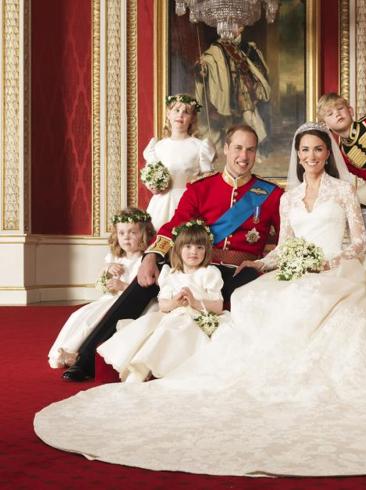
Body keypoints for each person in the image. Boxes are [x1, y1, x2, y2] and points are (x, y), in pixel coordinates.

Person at [35, 123, 366, 476]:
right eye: (302, 151)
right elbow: (275, 244)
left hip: (331, 270)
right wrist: (256, 261)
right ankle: (106, 357)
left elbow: (354, 244)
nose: (310, 157)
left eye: (317, 150)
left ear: (326, 153)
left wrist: (316, 262)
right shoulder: (252, 193)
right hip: (251, 262)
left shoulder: (318, 193)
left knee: (288, 298)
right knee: (251, 297)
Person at [61, 124, 282, 382]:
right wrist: (151, 257)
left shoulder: (272, 195)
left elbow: (285, 238)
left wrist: (262, 264)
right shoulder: (201, 188)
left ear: (256, 153)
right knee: (147, 280)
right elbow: (172, 228)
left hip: (237, 272)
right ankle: (86, 357)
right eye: (238, 148)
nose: (243, 156)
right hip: (195, 264)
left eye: (250, 150)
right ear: (225, 149)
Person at [97, 220, 227, 382]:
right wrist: (175, 303)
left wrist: (194, 302)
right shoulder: (170, 273)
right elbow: (164, 305)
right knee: (147, 328)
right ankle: (137, 368)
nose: (193, 252)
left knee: (173, 330)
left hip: (197, 316)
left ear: (206, 251)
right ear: (178, 249)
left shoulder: (209, 273)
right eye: (188, 247)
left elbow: (218, 306)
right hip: (172, 313)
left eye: (199, 247)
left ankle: (146, 367)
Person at [48, 208, 156, 369]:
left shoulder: (145, 260)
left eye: (132, 232)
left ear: (145, 234)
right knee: (80, 315)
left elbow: (142, 291)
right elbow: (101, 282)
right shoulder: (115, 257)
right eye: (121, 233)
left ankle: (79, 354)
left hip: (128, 303)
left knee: (97, 319)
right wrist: (107, 270)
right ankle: (68, 349)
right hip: (110, 298)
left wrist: (122, 286)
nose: (126, 237)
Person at [318, 92, 366, 267]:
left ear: (351, 110)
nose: (337, 114)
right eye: (330, 114)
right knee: (358, 201)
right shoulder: (343, 153)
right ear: (325, 124)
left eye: (340, 109)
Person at [143, 94, 216, 229]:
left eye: (186, 112)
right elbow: (150, 174)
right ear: (169, 115)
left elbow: (208, 181)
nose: (180, 115)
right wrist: (153, 186)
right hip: (161, 204)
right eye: (176, 110)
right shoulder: (158, 147)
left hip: (188, 203)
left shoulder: (200, 146)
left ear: (192, 119)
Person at [195, 31, 271, 148]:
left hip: (242, 87)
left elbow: (256, 67)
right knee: (227, 121)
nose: (234, 29)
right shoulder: (217, 48)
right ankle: (229, 148)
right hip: (227, 89)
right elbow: (209, 61)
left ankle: (258, 145)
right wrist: (203, 67)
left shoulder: (247, 46)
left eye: (238, 26)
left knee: (250, 117)